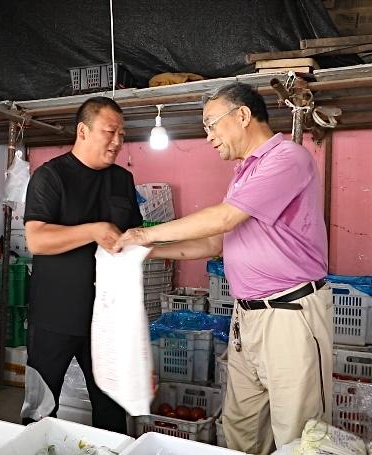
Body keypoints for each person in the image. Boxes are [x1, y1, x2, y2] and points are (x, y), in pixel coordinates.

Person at [114, 82, 332, 454]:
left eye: (212, 124)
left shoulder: (287, 158)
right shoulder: (244, 173)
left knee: (298, 434)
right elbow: (214, 242)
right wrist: (146, 252)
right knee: (241, 428)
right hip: (246, 317)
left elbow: (225, 218)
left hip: (289, 315)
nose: (209, 137)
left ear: (243, 115)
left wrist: (143, 233)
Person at [21, 96, 142, 433]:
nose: (117, 141)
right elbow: (37, 239)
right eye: (109, 132)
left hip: (107, 318)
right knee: (41, 407)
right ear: (83, 131)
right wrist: (93, 230)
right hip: (54, 317)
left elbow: (133, 236)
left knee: (112, 408)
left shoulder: (122, 180)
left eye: (122, 134)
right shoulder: (51, 176)